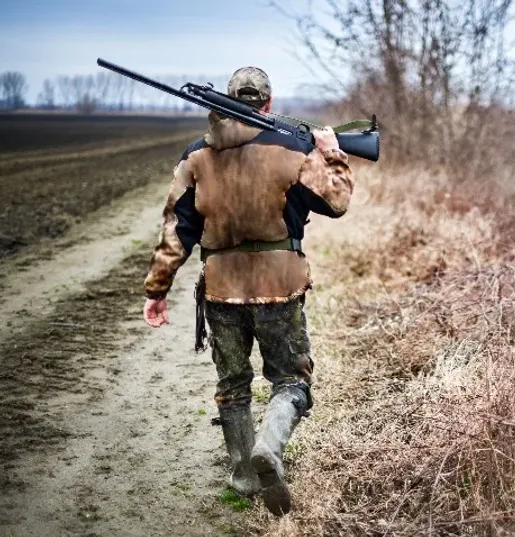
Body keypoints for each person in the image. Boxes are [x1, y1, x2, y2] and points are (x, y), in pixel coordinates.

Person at [140, 66, 354, 516]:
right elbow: (337, 202)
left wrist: (157, 288)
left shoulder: (195, 156)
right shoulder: (294, 148)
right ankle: (269, 449)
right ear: (269, 104)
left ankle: (242, 472)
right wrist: (332, 154)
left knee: (232, 385)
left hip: (221, 289)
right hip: (281, 285)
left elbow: (175, 231)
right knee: (291, 380)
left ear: (224, 100)